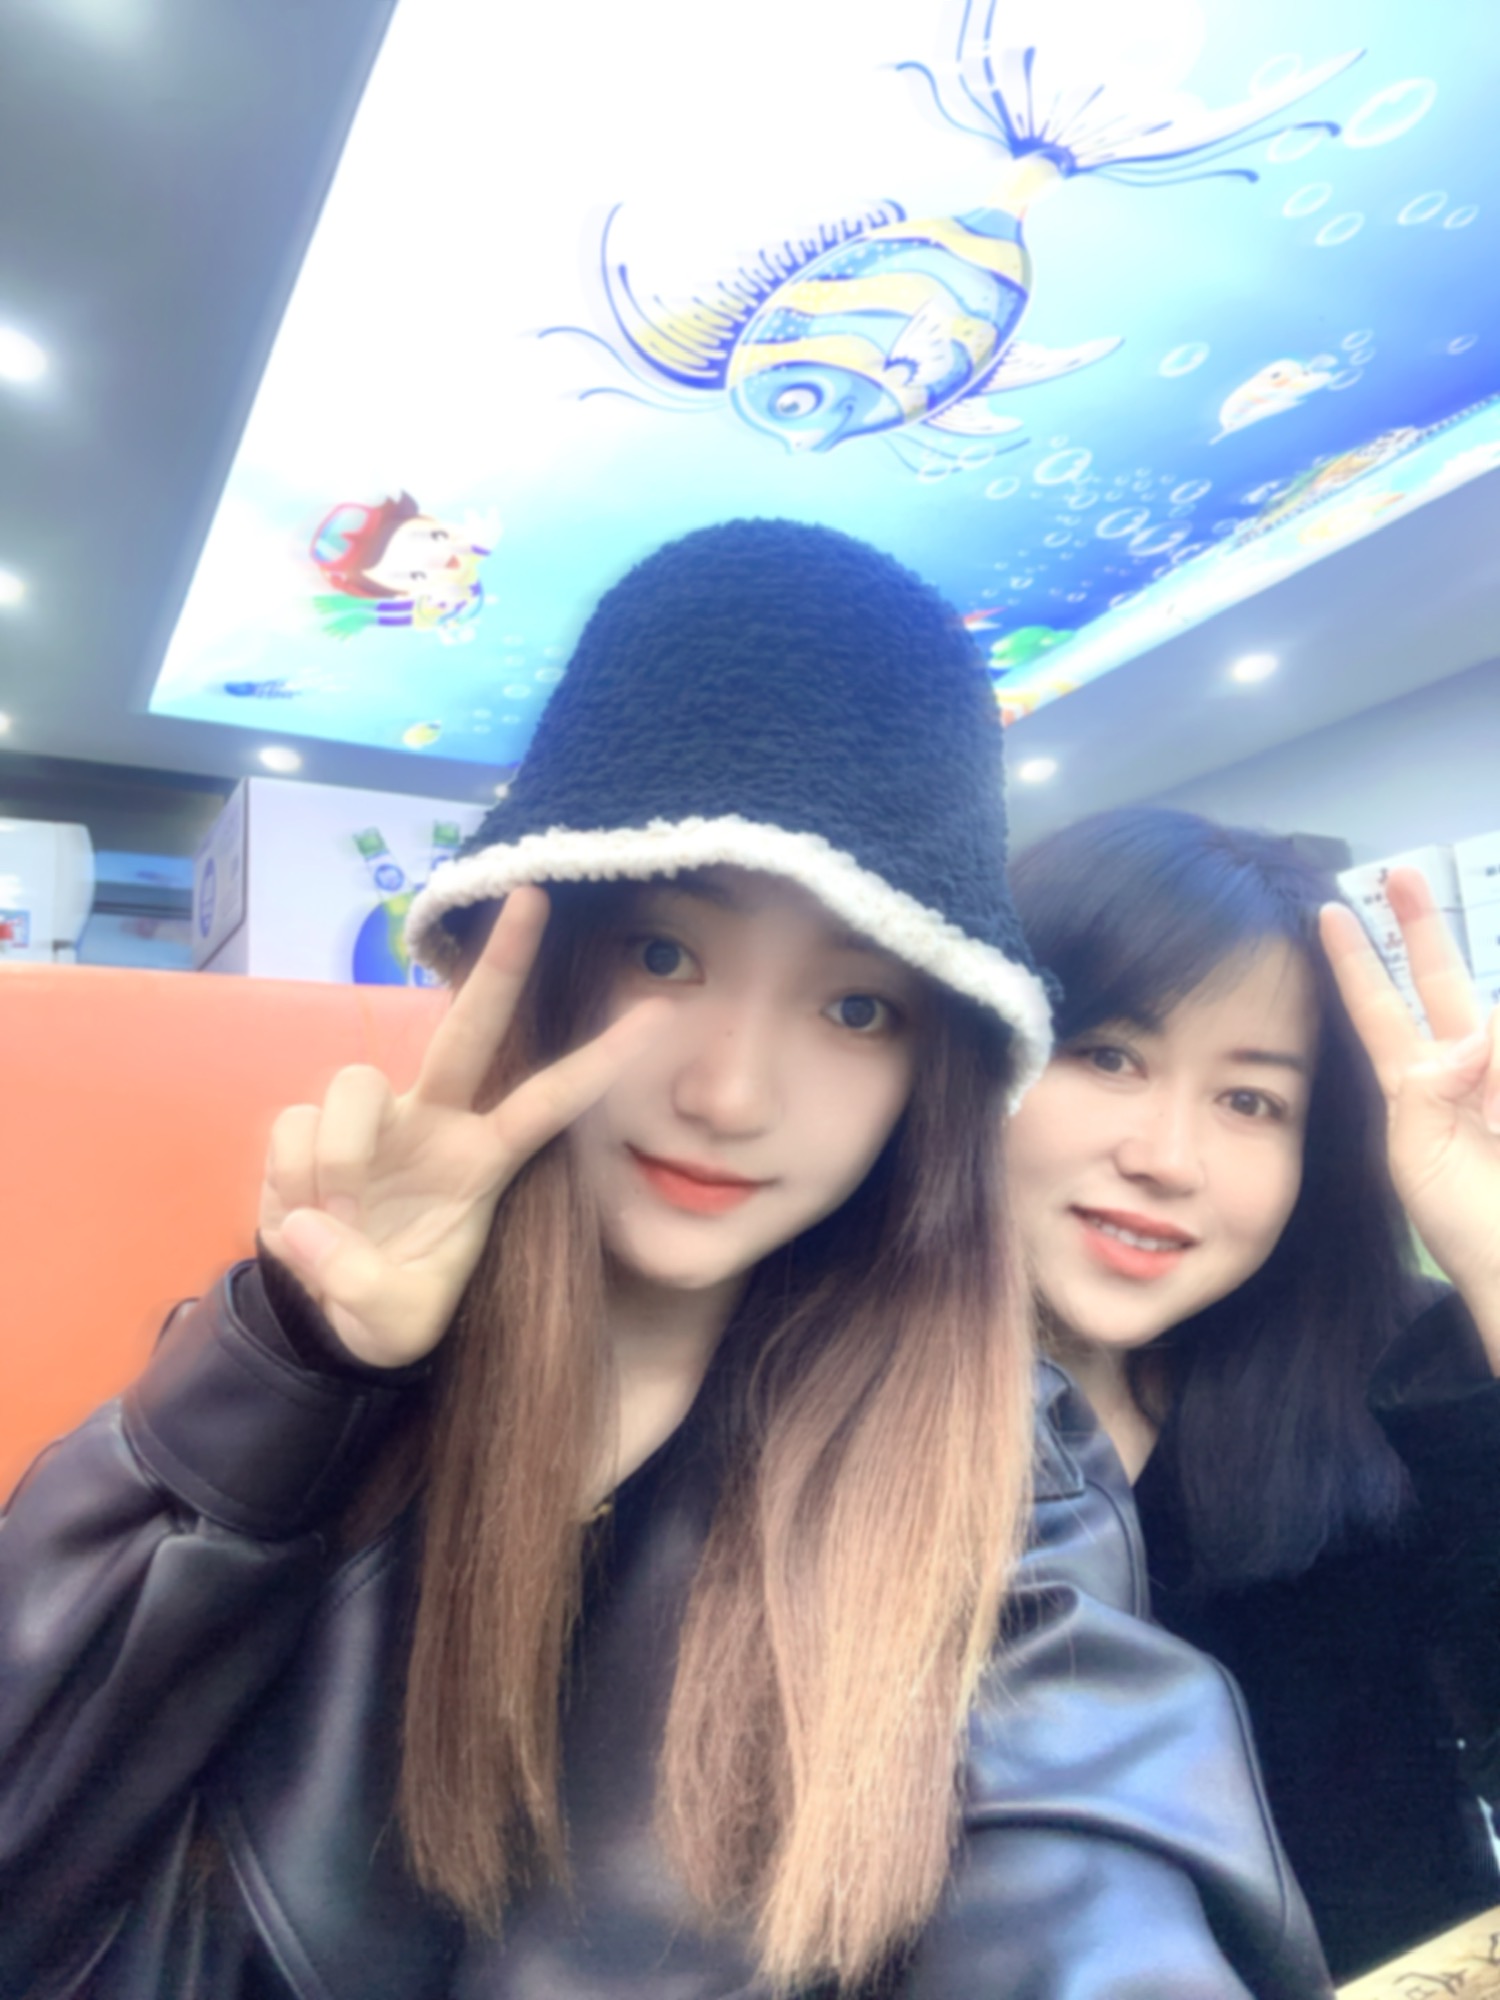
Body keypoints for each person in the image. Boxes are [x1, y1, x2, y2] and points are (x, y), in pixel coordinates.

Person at [0, 526, 1330, 1999]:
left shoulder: (999, 1474)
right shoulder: (311, 1372)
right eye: (665, 955)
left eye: (857, 1009)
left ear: (933, 1071)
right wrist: (296, 1362)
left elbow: (1087, 1894)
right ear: (534, 954)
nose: (730, 1094)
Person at [1007, 804, 1500, 1982]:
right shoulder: (784, 1433)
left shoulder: (1394, 1376)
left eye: (1251, 1100)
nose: (1166, 1157)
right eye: (1108, 1054)